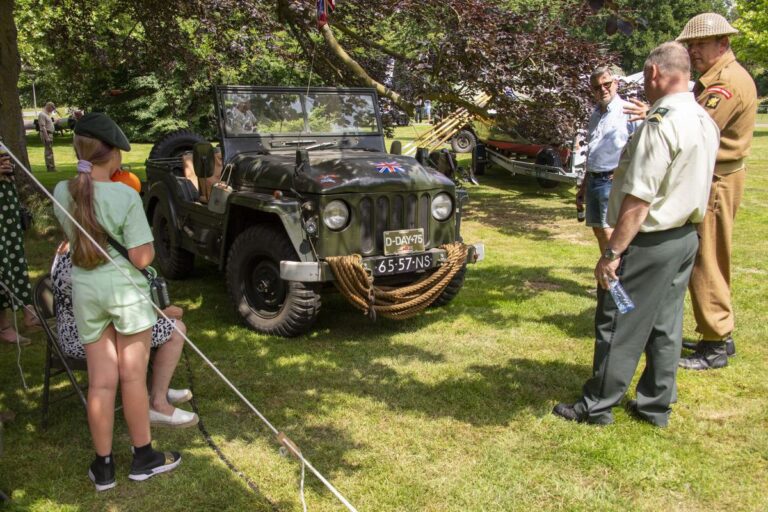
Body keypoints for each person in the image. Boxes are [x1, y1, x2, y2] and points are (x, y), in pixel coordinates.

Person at [552, 42, 719, 427]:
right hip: (684, 239)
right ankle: (655, 404)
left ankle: (596, 405)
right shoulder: (702, 118)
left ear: (656, 74)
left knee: (617, 317)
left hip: (649, 242)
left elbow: (639, 200)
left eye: (645, 78)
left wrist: (612, 254)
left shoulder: (661, 124)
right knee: (665, 322)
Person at [53, 112, 181, 491]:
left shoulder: (62, 191)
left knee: (101, 383)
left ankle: (103, 467)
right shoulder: (125, 194)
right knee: (132, 379)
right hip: (125, 293)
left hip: (87, 292)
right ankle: (143, 457)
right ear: (114, 156)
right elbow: (141, 259)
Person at [675, 13, 758, 371]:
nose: (693, 51)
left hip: (716, 181)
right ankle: (718, 334)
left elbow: (696, 130)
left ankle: (715, 344)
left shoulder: (726, 83)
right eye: (690, 45)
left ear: (722, 44)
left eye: (699, 44)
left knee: (706, 258)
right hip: (717, 177)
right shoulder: (718, 78)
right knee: (710, 256)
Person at [50, 243, 199, 428]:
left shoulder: (72, 247)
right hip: (85, 336)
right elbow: (114, 305)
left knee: (161, 327)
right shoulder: (85, 257)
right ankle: (157, 403)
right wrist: (160, 313)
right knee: (175, 330)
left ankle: (156, 392)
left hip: (91, 328)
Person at [576, 66, 641, 255]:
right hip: (594, 179)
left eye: (607, 84)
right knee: (598, 230)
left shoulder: (628, 111)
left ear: (616, 83)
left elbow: (642, 146)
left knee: (610, 232)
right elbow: (593, 151)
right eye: (597, 87)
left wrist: (623, 172)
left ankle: (615, 279)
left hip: (612, 180)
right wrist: (583, 185)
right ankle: (606, 280)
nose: (602, 89)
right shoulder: (595, 115)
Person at [0, 150, 39, 344]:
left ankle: (28, 311)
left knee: (15, 258)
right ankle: (4, 326)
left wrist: (8, 169)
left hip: (6, 207)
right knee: (1, 264)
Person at [38, 102, 57, 172]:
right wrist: (47, 137)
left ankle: (52, 167)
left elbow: (48, 125)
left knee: (50, 151)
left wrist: (55, 122)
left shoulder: (47, 115)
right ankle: (50, 168)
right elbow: (43, 127)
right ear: (49, 106)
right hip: (46, 134)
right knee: (48, 151)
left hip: (49, 134)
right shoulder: (42, 114)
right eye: (52, 108)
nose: (52, 110)